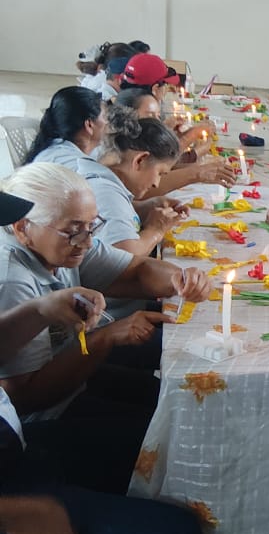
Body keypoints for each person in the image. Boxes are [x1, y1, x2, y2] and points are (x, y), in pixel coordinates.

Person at [0, 190, 202, 534]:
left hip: (16, 454)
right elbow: (29, 392)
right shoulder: (10, 275)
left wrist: (40, 310)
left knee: (167, 451)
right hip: (9, 502)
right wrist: (12, 512)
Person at [0, 163, 211, 493]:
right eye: (74, 230)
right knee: (171, 437)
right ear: (23, 228)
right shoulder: (13, 280)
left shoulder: (64, 246)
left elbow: (136, 271)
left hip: (71, 380)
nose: (86, 241)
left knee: (177, 403)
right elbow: (26, 397)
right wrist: (105, 338)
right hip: (42, 421)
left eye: (92, 226)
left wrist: (179, 279)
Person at [79, 107, 186, 257]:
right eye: (160, 173)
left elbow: (114, 216)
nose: (156, 183)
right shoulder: (106, 194)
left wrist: (145, 207)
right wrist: (156, 230)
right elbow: (124, 258)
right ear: (140, 160)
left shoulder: (103, 181)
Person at [23, 87, 107, 168]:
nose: (108, 122)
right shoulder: (80, 167)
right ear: (89, 125)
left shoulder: (53, 148)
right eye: (105, 117)